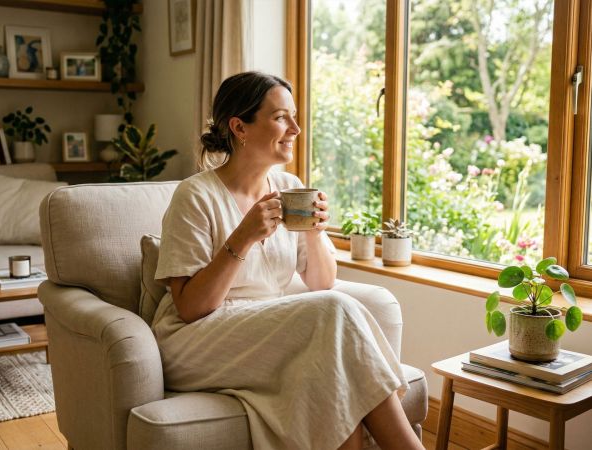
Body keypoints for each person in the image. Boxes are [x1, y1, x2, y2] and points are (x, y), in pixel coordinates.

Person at [152, 71, 424, 450]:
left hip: (268, 328)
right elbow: (191, 308)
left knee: (332, 366)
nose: (296, 128)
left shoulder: (290, 188)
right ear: (239, 127)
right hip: (196, 340)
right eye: (281, 117)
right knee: (334, 311)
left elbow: (321, 283)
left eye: (294, 117)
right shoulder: (195, 196)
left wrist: (314, 231)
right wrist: (242, 237)